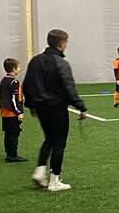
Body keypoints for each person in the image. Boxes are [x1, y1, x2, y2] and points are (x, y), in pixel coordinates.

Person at [23, 28, 88, 192]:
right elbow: (69, 88)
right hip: (57, 108)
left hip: (41, 108)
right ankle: (54, 180)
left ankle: (39, 171)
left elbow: (26, 85)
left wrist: (31, 106)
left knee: (49, 139)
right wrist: (81, 107)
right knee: (59, 142)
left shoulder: (35, 61)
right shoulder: (62, 63)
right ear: (62, 44)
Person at [0, 57, 26, 163]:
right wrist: (19, 112)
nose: (19, 69)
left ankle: (9, 154)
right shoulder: (14, 82)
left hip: (5, 112)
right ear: (14, 69)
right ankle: (12, 155)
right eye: (18, 67)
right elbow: (14, 99)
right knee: (14, 134)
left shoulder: (4, 80)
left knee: (8, 134)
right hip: (12, 113)